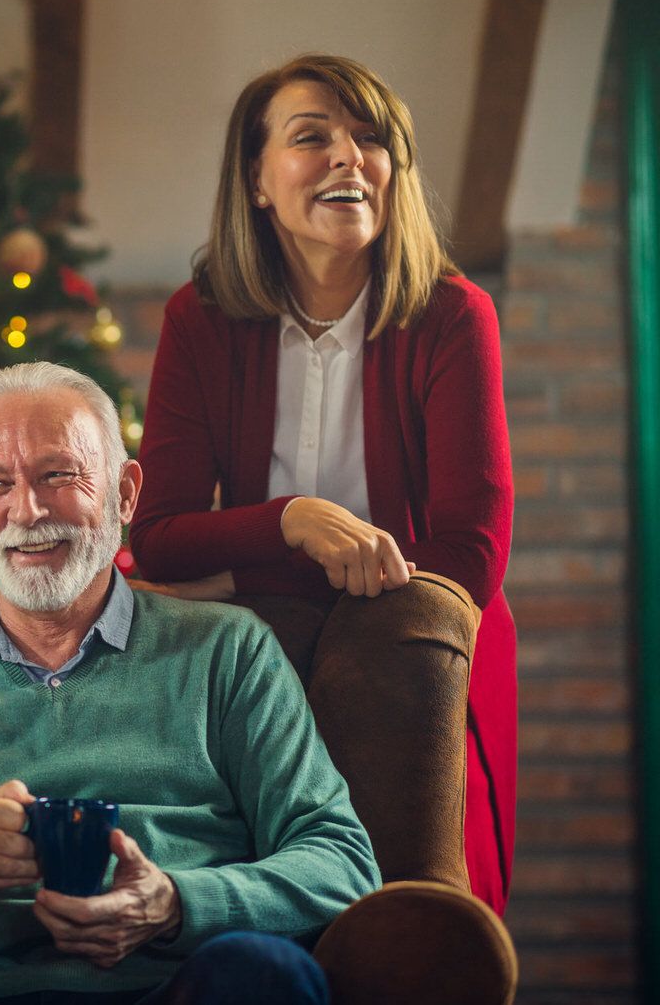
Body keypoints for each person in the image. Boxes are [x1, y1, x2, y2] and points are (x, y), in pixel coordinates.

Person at [0, 362, 379, 1004]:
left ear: (124, 492)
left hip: (175, 989)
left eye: (58, 475)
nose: (26, 511)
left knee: (265, 973)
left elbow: (341, 860)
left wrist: (175, 904)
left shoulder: (229, 650)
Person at [128, 54, 515, 914]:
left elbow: (470, 557)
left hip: (409, 654)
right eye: (314, 137)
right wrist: (294, 521)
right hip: (251, 654)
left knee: (412, 924)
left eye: (371, 138)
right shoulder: (200, 319)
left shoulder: (454, 316)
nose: (351, 156)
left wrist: (237, 571)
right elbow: (156, 534)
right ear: (258, 182)